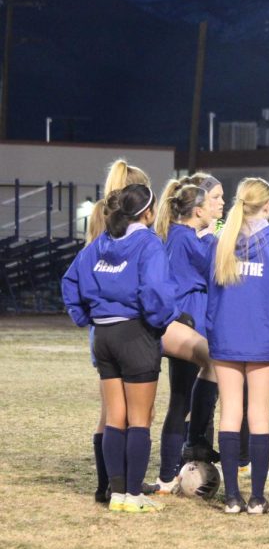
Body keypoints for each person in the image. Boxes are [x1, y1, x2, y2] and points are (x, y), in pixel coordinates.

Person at [63, 183, 178, 513]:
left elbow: (71, 281)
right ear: (148, 213)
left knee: (115, 418)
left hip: (104, 336)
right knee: (139, 420)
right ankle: (132, 495)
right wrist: (158, 323)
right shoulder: (148, 244)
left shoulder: (101, 243)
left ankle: (115, 494)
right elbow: (156, 292)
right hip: (135, 334)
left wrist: (85, 316)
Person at [206, 177, 269, 514]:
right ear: (268, 206)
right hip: (263, 336)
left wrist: (215, 330)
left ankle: (231, 497)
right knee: (258, 416)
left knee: (229, 413)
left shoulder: (221, 240)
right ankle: (257, 498)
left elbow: (211, 296)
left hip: (227, 336)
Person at [83, 158, 152, 504]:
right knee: (129, 413)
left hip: (101, 323)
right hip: (125, 323)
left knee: (110, 412)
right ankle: (123, 484)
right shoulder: (126, 224)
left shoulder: (100, 213)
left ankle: (107, 485)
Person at [152, 174, 224, 492]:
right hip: (187, 321)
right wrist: (214, 238)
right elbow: (217, 265)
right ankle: (170, 470)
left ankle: (176, 469)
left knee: (184, 400)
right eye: (214, 199)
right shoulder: (185, 238)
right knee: (181, 400)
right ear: (197, 209)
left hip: (192, 319)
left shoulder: (184, 235)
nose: (219, 204)